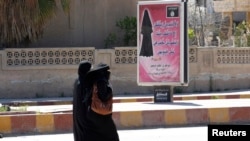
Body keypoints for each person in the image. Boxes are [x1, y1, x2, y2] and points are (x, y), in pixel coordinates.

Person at [73, 61, 119, 141]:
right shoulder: (95, 82)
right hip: (91, 118)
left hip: (80, 118)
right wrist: (109, 89)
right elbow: (103, 96)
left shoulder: (78, 82)